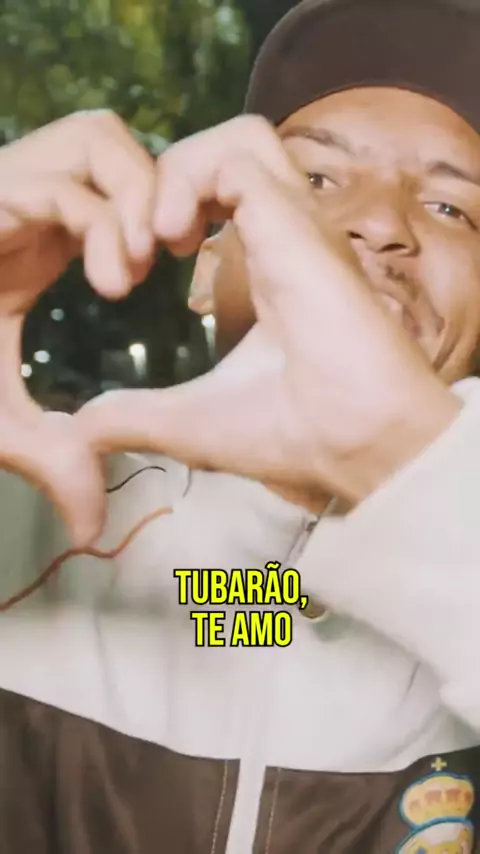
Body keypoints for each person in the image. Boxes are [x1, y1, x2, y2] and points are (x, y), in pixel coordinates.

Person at [1, 0, 480, 850]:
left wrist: (414, 472)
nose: (380, 225)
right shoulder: (30, 522)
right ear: (204, 266)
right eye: (313, 181)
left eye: (452, 208)